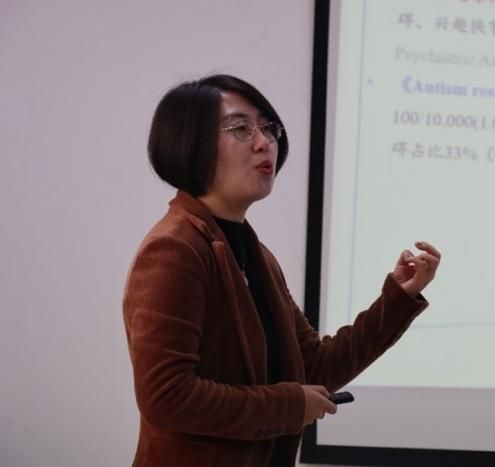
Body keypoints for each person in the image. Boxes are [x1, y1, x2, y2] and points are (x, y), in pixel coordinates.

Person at [122, 74, 441, 467]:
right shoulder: (175, 249)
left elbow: (314, 368)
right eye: (241, 128)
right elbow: (166, 397)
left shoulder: (257, 257)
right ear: (191, 144)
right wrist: (289, 405)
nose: (264, 142)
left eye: (268, 128)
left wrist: (397, 300)